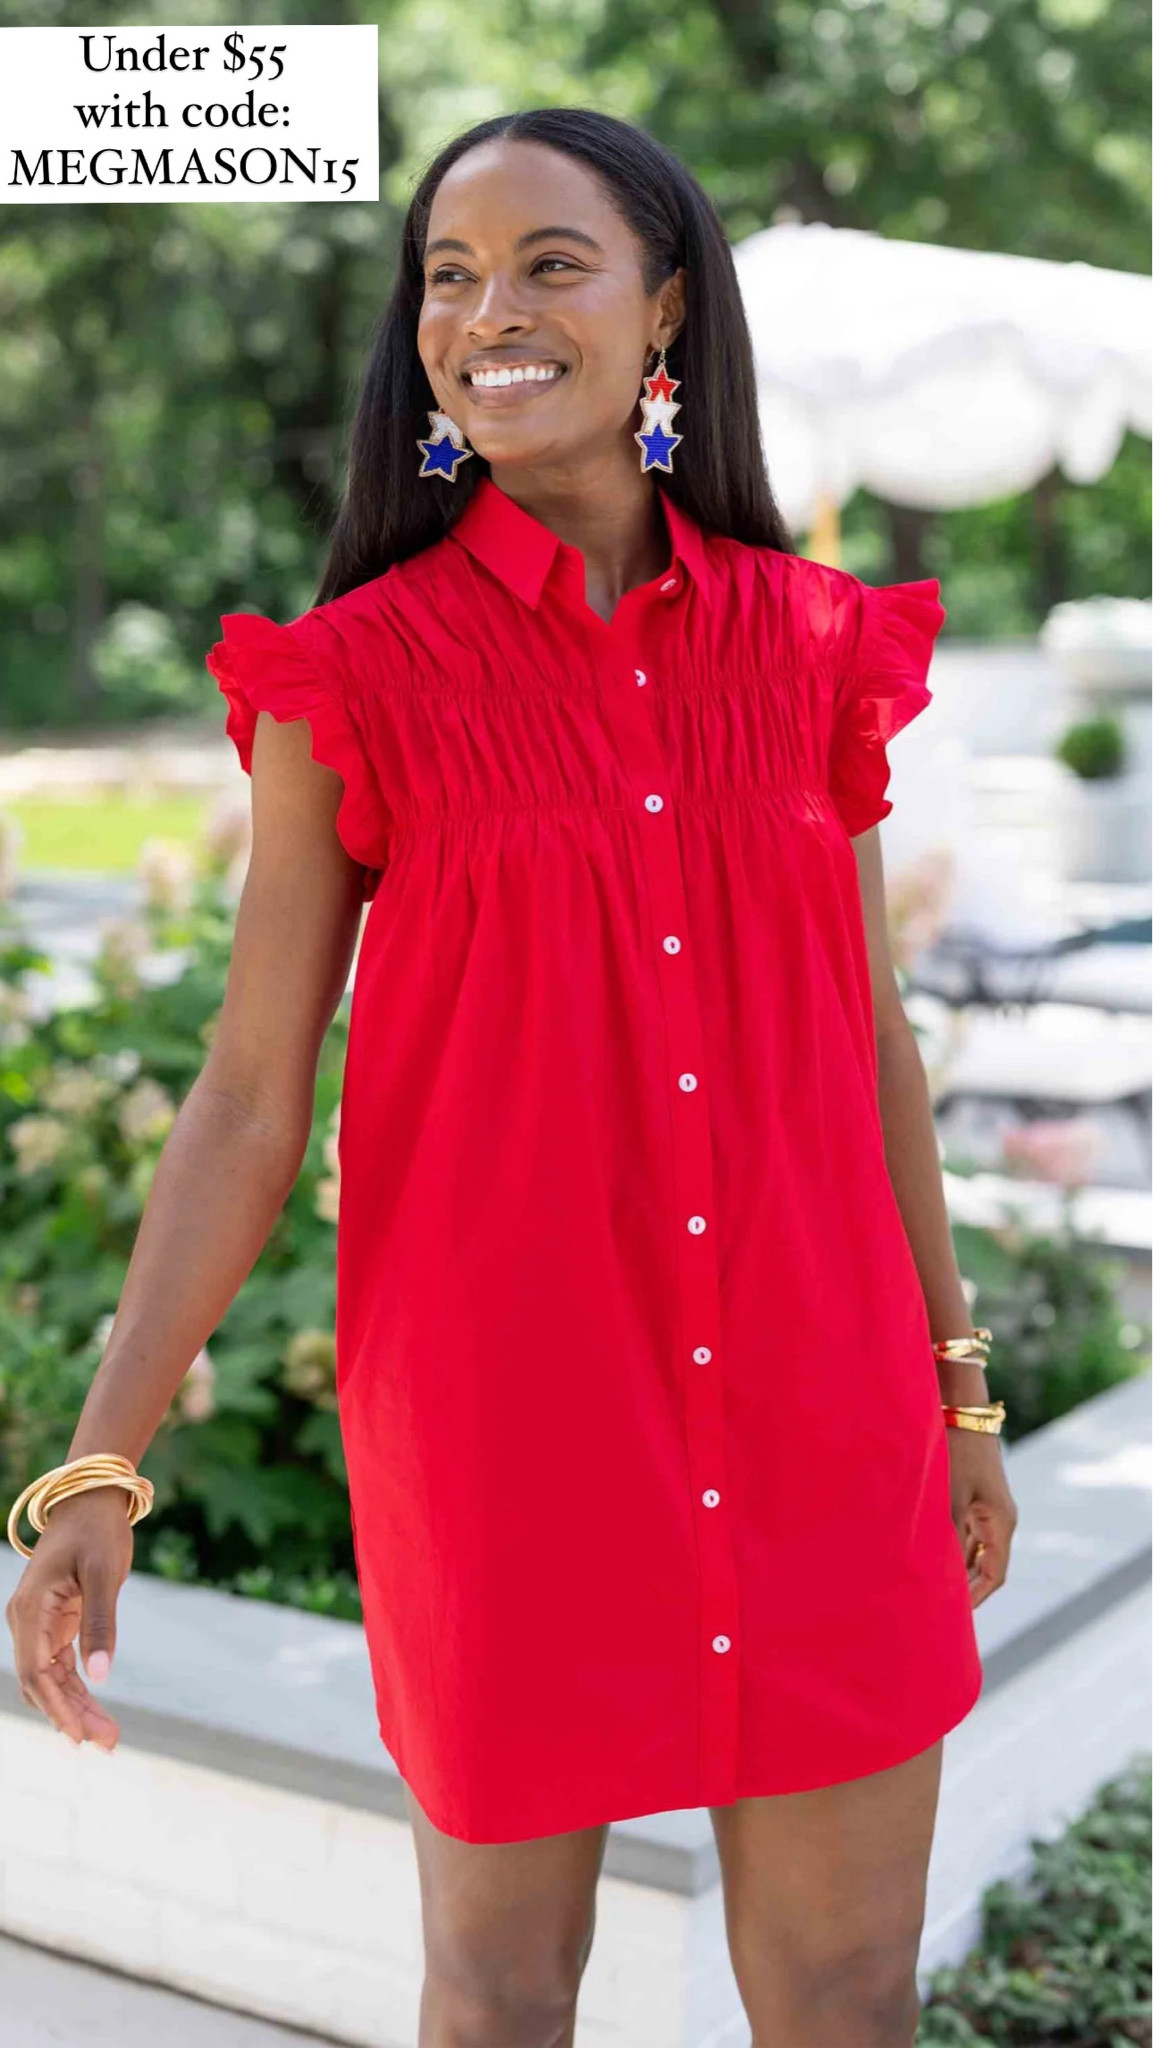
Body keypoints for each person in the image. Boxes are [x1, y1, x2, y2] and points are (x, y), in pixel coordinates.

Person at [6, 106, 1017, 2048]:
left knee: (846, 1987)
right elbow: (241, 1093)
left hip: (827, 1414)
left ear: (665, 317)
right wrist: (103, 1450)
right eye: (447, 278)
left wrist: (955, 1378)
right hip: (509, 1431)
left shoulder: (816, 649)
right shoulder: (355, 677)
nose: (486, 314)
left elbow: (865, 1037)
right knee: (496, 1997)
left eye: (551, 264)